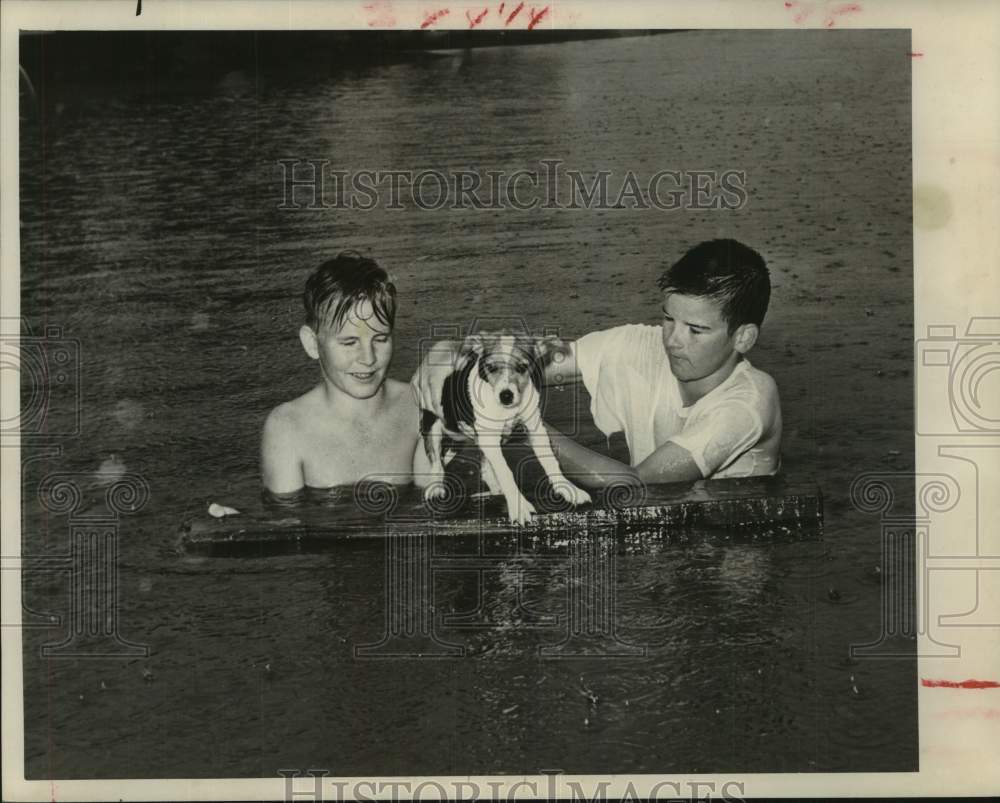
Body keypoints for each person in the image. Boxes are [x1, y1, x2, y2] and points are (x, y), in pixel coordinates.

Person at [412, 239, 781, 489]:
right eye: (668, 318)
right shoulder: (640, 344)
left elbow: (635, 484)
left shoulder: (747, 404)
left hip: (733, 556)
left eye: (695, 330)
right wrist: (452, 352)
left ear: (743, 338)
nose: (671, 339)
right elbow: (534, 361)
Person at [261, 251, 429, 495]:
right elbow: (284, 525)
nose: (368, 358)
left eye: (380, 339)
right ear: (311, 343)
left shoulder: (418, 408)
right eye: (349, 343)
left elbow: (435, 508)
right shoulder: (287, 429)